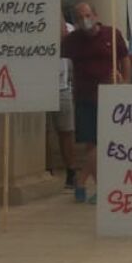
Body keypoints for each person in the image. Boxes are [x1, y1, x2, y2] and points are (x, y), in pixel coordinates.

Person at [61, 2, 131, 205]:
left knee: (106, 142)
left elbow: (124, 59)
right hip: (85, 97)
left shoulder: (111, 34)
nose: (84, 20)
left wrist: (126, 82)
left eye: (87, 15)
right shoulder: (72, 40)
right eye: (79, 17)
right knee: (92, 143)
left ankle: (81, 181)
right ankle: (101, 186)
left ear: (95, 15)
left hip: (111, 96)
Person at [53, 14, 78, 188]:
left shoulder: (69, 29)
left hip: (62, 86)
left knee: (66, 131)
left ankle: (71, 171)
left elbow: (63, 36)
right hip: (38, 85)